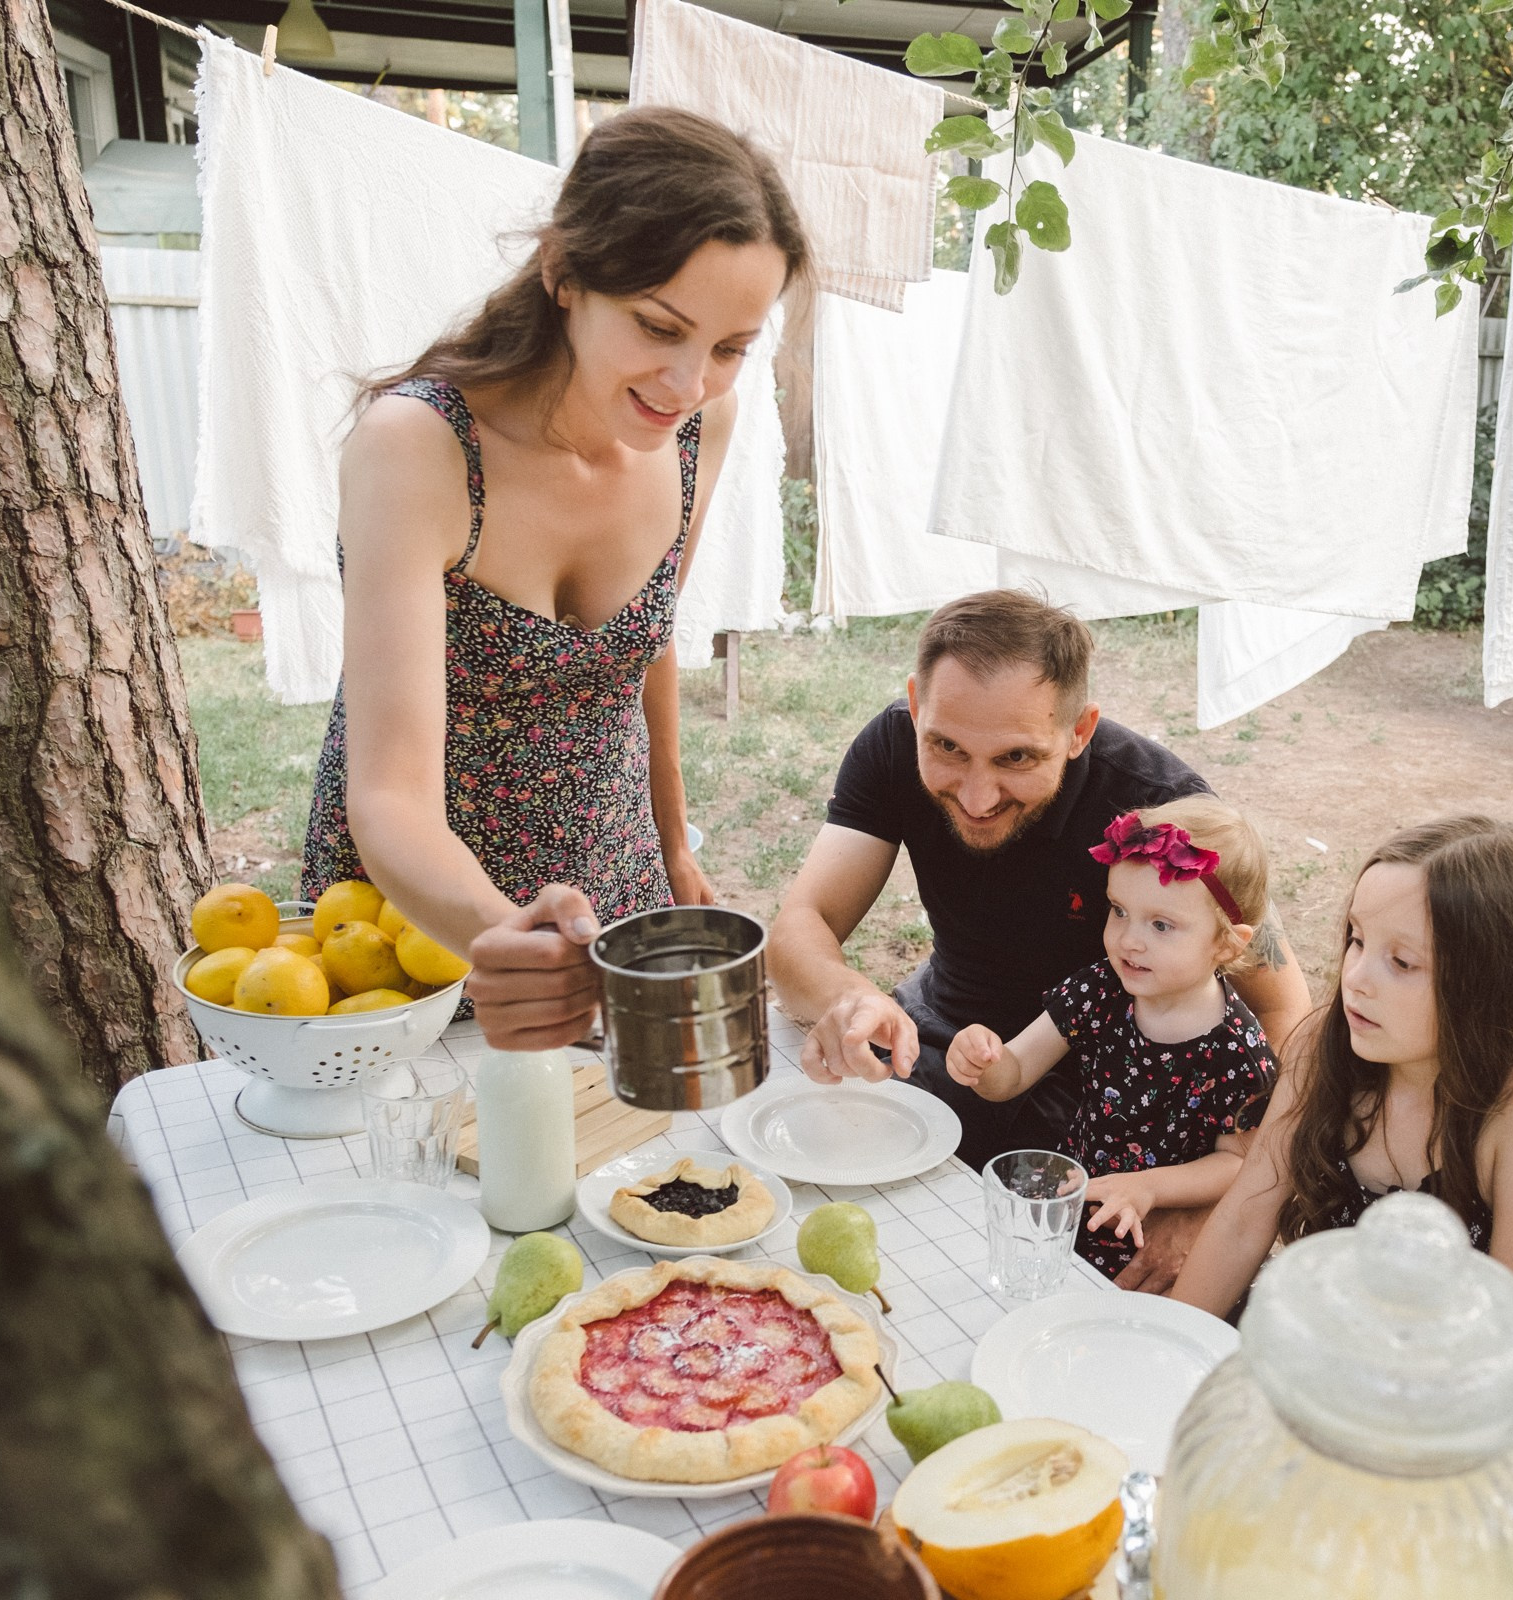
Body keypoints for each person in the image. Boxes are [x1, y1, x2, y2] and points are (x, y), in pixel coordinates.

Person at [299, 109, 807, 1050]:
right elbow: (391, 799)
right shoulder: (419, 447)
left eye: (732, 346)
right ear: (564, 273)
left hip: (606, 884)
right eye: (660, 327)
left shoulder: (699, 425)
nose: (689, 380)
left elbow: (644, 645)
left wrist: (674, 839)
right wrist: (505, 940)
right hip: (414, 915)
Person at [767, 591, 1312, 1287]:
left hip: (1116, 1099)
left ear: (1080, 730)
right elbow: (798, 927)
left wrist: (1218, 1204)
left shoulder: (1159, 809)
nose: (977, 795)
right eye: (947, 747)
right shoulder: (890, 743)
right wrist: (848, 998)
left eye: (1017, 758)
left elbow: (1284, 1008)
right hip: (947, 1038)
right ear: (915, 704)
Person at [1170, 816, 1513, 1354]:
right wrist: (1170, 1348)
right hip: (1312, 1351)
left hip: (1435, 1397)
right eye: (1356, 939)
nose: (1355, 977)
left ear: (1506, 988)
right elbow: (1243, 1220)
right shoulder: (1321, 1050)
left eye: (1402, 962)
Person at [946, 799, 1279, 1280]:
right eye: (1119, 911)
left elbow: (1238, 1162)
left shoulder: (1237, 1052)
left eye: (1161, 925)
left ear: (1226, 944)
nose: (1129, 940)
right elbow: (1014, 1071)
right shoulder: (1102, 989)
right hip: (1071, 1218)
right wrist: (984, 1061)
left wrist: (1150, 1187)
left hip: (1157, 1247)